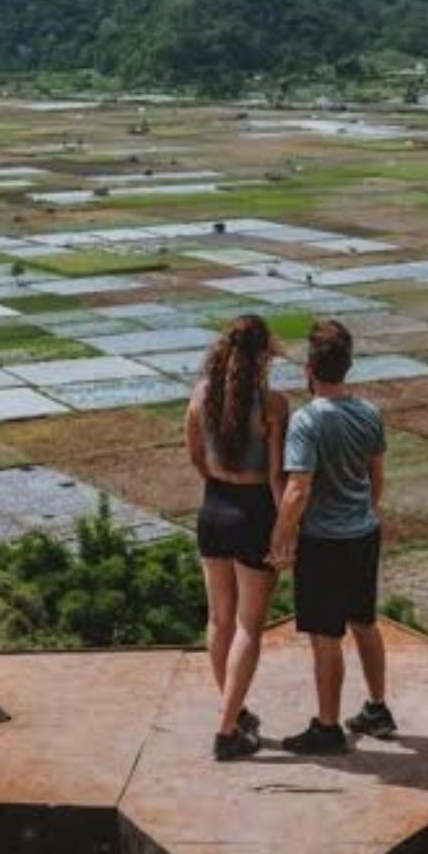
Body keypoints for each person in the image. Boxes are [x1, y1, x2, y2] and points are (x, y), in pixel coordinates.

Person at [268, 319, 396, 755]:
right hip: (363, 533)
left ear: (309, 369)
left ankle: (327, 727)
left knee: (326, 636)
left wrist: (280, 537)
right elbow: (377, 477)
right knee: (365, 623)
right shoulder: (369, 413)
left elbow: (298, 488)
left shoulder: (306, 421)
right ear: (349, 365)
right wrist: (365, 511)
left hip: (324, 541)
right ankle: (378, 708)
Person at [186, 314, 288, 762]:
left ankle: (236, 711)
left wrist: (220, 483)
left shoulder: (201, 396)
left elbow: (196, 457)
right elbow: (277, 477)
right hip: (254, 512)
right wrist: (287, 529)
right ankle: (227, 731)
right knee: (249, 625)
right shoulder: (273, 405)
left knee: (219, 620)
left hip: (213, 509)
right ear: (265, 354)